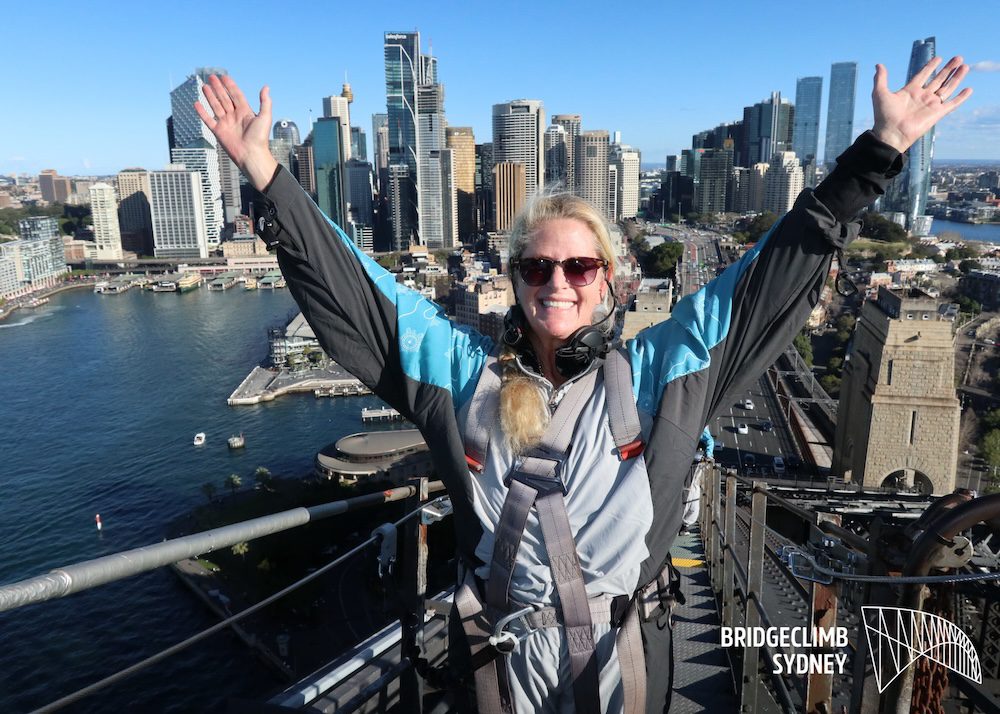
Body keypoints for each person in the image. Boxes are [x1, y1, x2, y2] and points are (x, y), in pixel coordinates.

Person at [195, 55, 971, 713]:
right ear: (515, 281)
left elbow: (764, 284)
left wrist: (879, 151)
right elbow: (362, 293)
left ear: (608, 281)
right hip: (497, 676)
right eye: (537, 267)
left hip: (624, 673)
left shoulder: (665, 371)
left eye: (579, 266)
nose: (557, 282)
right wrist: (266, 173)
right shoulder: (461, 378)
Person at [681, 427, 714, 534]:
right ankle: (684, 523)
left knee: (690, 491)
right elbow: (709, 440)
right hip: (695, 461)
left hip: (694, 461)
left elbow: (708, 440)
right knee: (691, 492)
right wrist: (708, 455)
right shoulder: (702, 425)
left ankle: (683, 523)